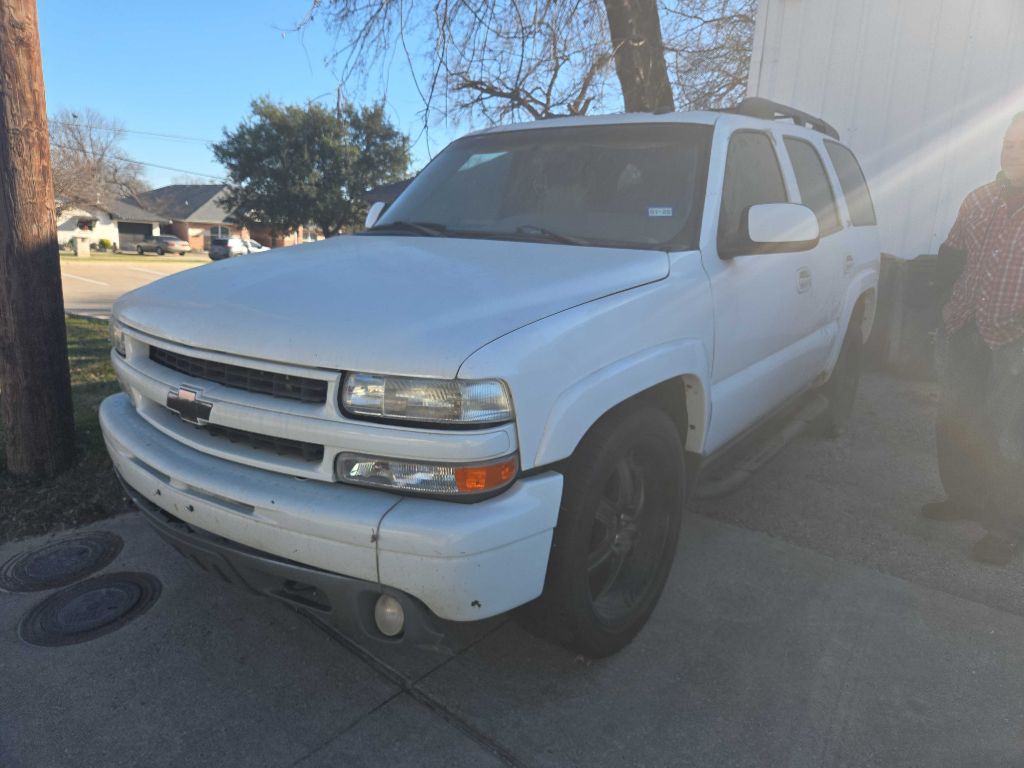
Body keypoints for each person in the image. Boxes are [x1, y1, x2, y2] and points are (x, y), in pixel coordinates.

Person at [923, 112, 1024, 565]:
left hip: (1015, 340)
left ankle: (1004, 528)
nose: (1012, 152)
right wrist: (938, 309)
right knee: (955, 420)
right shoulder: (979, 200)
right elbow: (952, 256)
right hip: (966, 326)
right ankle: (962, 499)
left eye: (1021, 145)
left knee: (1008, 435)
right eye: (1007, 143)